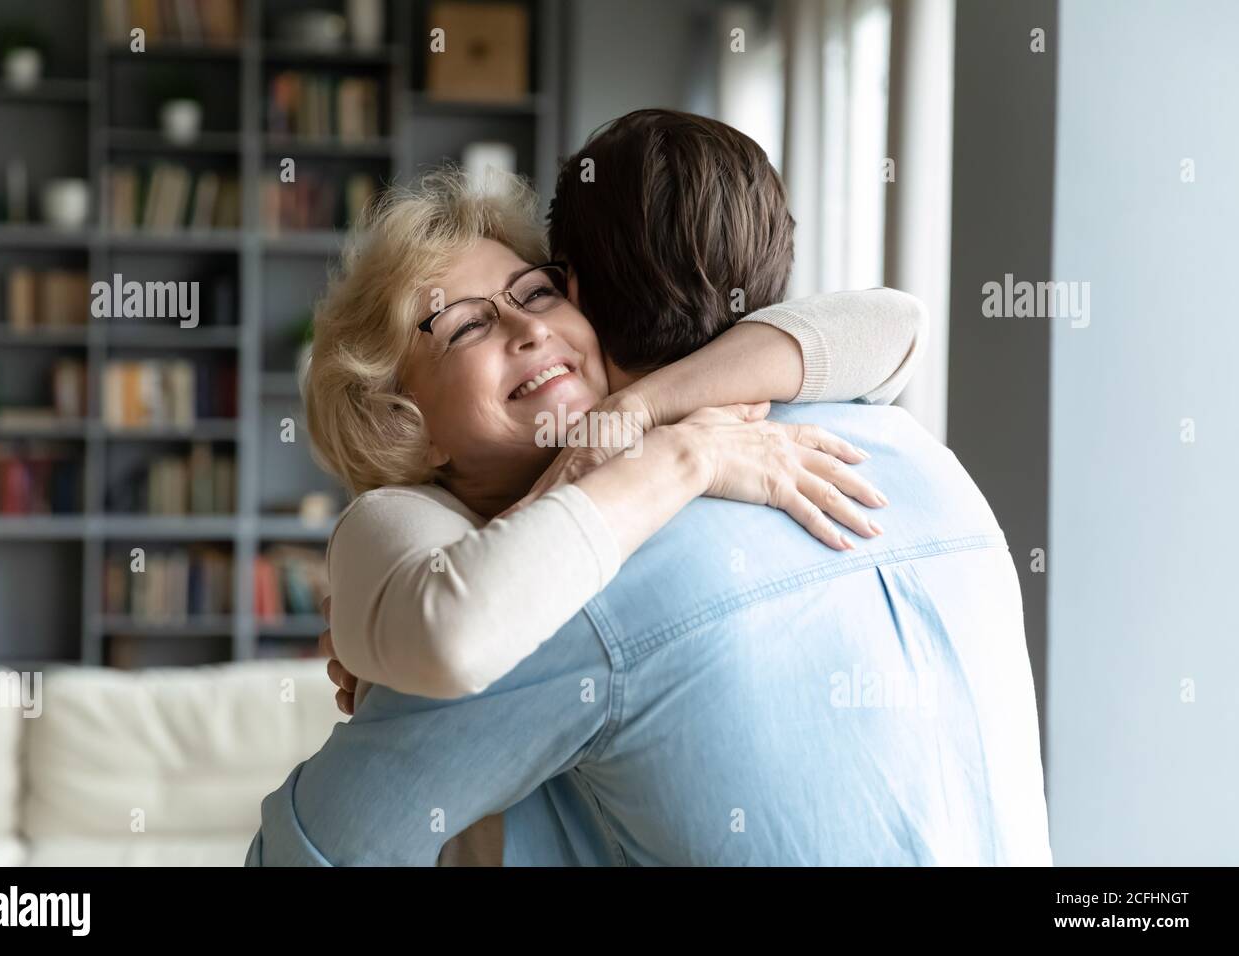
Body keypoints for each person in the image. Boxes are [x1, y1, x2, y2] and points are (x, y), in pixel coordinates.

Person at [247, 110, 1050, 866]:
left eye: (538, 292)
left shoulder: (586, 600)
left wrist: (640, 431)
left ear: (586, 305)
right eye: (464, 325)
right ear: (398, 418)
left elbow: (311, 852)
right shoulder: (917, 454)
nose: (528, 328)